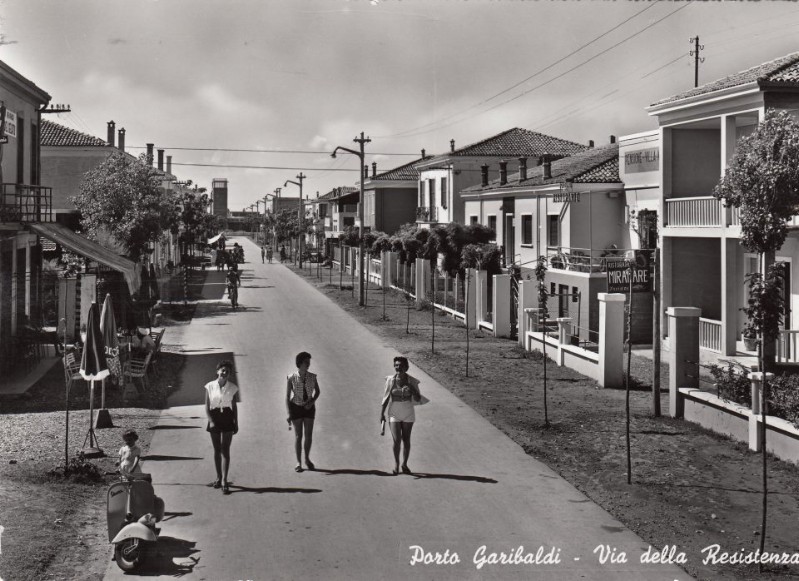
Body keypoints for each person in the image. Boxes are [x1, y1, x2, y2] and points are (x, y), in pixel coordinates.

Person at [380, 356, 421, 475]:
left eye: (401, 366)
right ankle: (397, 464)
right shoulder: (390, 380)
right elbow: (386, 398)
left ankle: (405, 464)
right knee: (397, 440)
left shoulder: (412, 381)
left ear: (406, 367)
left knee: (406, 439)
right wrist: (381, 414)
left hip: (408, 411)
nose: (399, 368)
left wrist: (412, 390)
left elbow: (418, 399)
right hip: (394, 412)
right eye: (396, 365)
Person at [205, 360, 239, 494]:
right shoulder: (209, 386)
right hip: (214, 417)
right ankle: (218, 477)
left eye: (227, 372)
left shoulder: (233, 387)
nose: (225, 373)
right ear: (217, 371)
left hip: (227, 417)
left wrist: (236, 422)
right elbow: (207, 406)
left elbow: (234, 406)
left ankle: (225, 480)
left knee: (225, 450)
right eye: (223, 370)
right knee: (217, 449)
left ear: (230, 375)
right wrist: (211, 421)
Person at [286, 351, 320, 472]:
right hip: (296, 407)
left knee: (308, 435)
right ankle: (298, 462)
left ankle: (307, 458)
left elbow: (318, 391)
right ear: (300, 363)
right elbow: (287, 396)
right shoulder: (291, 378)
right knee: (298, 435)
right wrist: (289, 413)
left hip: (309, 408)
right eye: (306, 362)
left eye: (309, 362)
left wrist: (312, 402)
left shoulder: (312, 377)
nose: (308, 364)